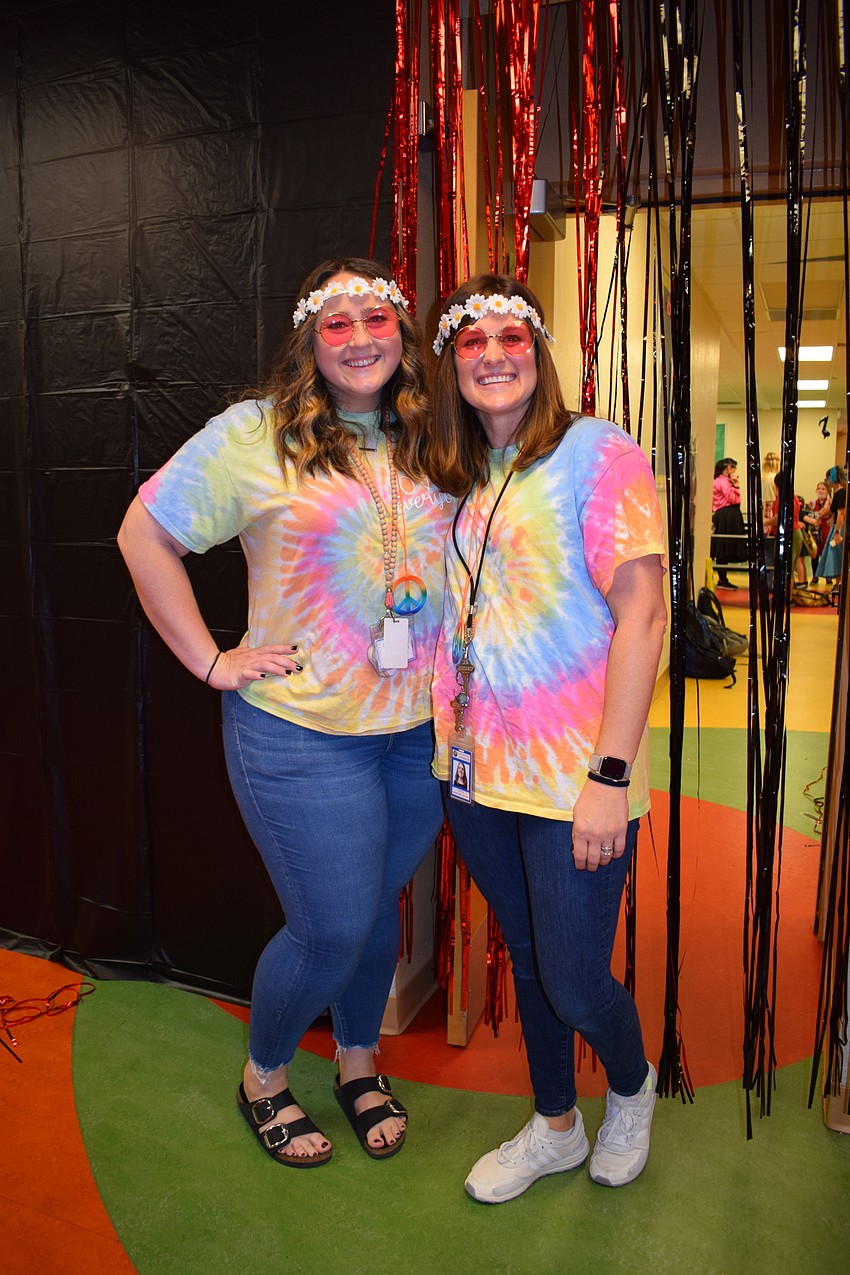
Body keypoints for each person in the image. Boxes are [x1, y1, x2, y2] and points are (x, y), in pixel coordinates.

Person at [117, 258, 453, 1167]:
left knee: (375, 910)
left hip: (414, 733)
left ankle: (358, 1060)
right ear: (311, 341)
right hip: (300, 732)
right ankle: (264, 1075)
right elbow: (144, 534)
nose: (358, 337)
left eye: (375, 318)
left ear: (402, 334)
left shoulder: (432, 433)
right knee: (331, 925)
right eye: (335, 322)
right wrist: (211, 658)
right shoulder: (257, 433)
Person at [422, 274, 667, 1202]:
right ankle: (556, 1123)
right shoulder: (458, 473)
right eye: (472, 340)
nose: (492, 353)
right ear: (452, 363)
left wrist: (611, 774)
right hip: (477, 769)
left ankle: (631, 1087)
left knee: (573, 977)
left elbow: (643, 617)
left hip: (575, 776)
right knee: (527, 955)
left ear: (539, 352)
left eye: (511, 336)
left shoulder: (596, 452)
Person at [712, 458, 745, 589]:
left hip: (723, 515)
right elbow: (732, 498)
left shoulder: (717, 480)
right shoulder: (724, 481)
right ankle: (722, 579)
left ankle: (722, 578)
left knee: (723, 547)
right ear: (728, 468)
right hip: (728, 515)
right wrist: (736, 485)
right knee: (724, 547)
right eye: (733, 467)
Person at [817, 465, 847, 585]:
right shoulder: (838, 493)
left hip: (839, 527)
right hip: (837, 526)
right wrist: (820, 516)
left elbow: (841, 514)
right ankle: (838, 583)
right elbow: (831, 509)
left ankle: (840, 583)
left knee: (836, 556)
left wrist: (838, 532)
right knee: (835, 556)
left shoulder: (841, 493)